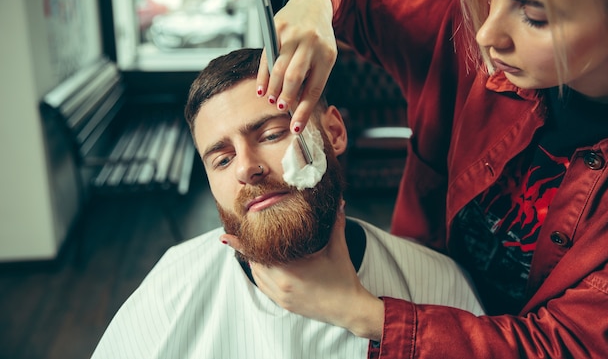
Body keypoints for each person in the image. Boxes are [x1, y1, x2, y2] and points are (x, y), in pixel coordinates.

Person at [229, 0, 608, 357]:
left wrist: (361, 313)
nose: (486, 32)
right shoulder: (463, 19)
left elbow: (567, 347)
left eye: (535, 16)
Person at [89, 48, 484, 359]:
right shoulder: (170, 290)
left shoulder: (438, 286)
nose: (247, 167)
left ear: (333, 132)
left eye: (273, 134)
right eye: (222, 159)